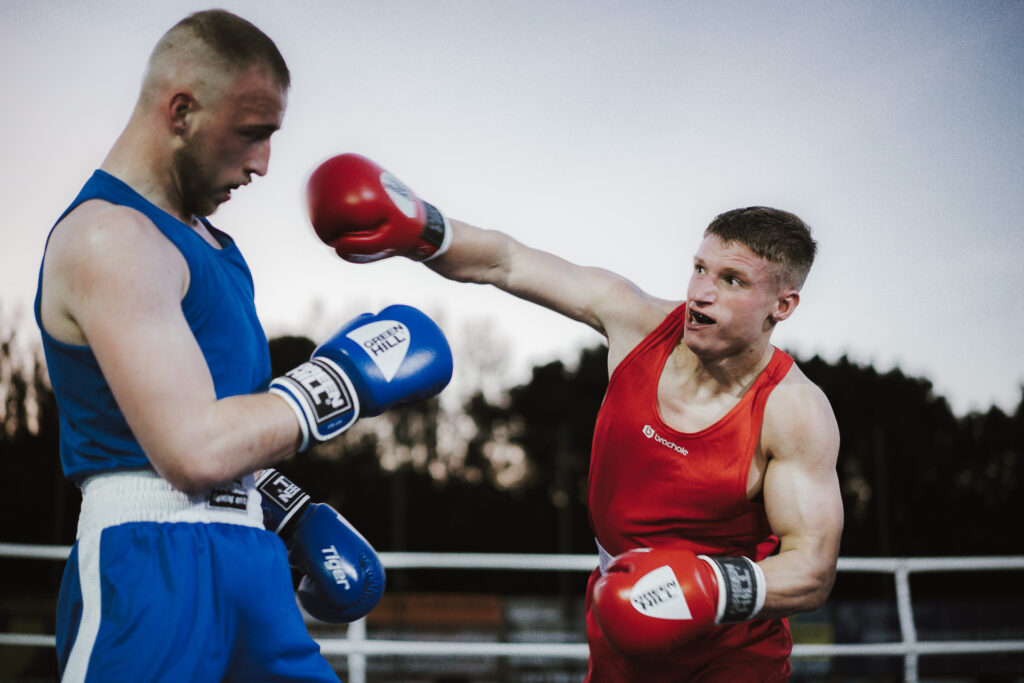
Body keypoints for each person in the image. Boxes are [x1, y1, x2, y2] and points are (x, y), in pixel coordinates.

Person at [302, 153, 844, 681]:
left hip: (730, 651)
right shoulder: (636, 322)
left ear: (782, 306)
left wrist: (707, 588)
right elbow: (507, 261)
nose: (701, 293)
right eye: (700, 269)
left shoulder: (793, 410)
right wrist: (422, 226)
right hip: (617, 617)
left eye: (732, 280)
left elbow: (812, 569)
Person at [34, 13, 453, 682]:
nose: (262, 164)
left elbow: (224, 419)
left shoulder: (216, 249)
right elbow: (193, 450)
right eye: (253, 133)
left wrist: (286, 511)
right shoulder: (109, 237)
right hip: (148, 574)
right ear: (182, 111)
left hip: (250, 560)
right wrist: (343, 381)